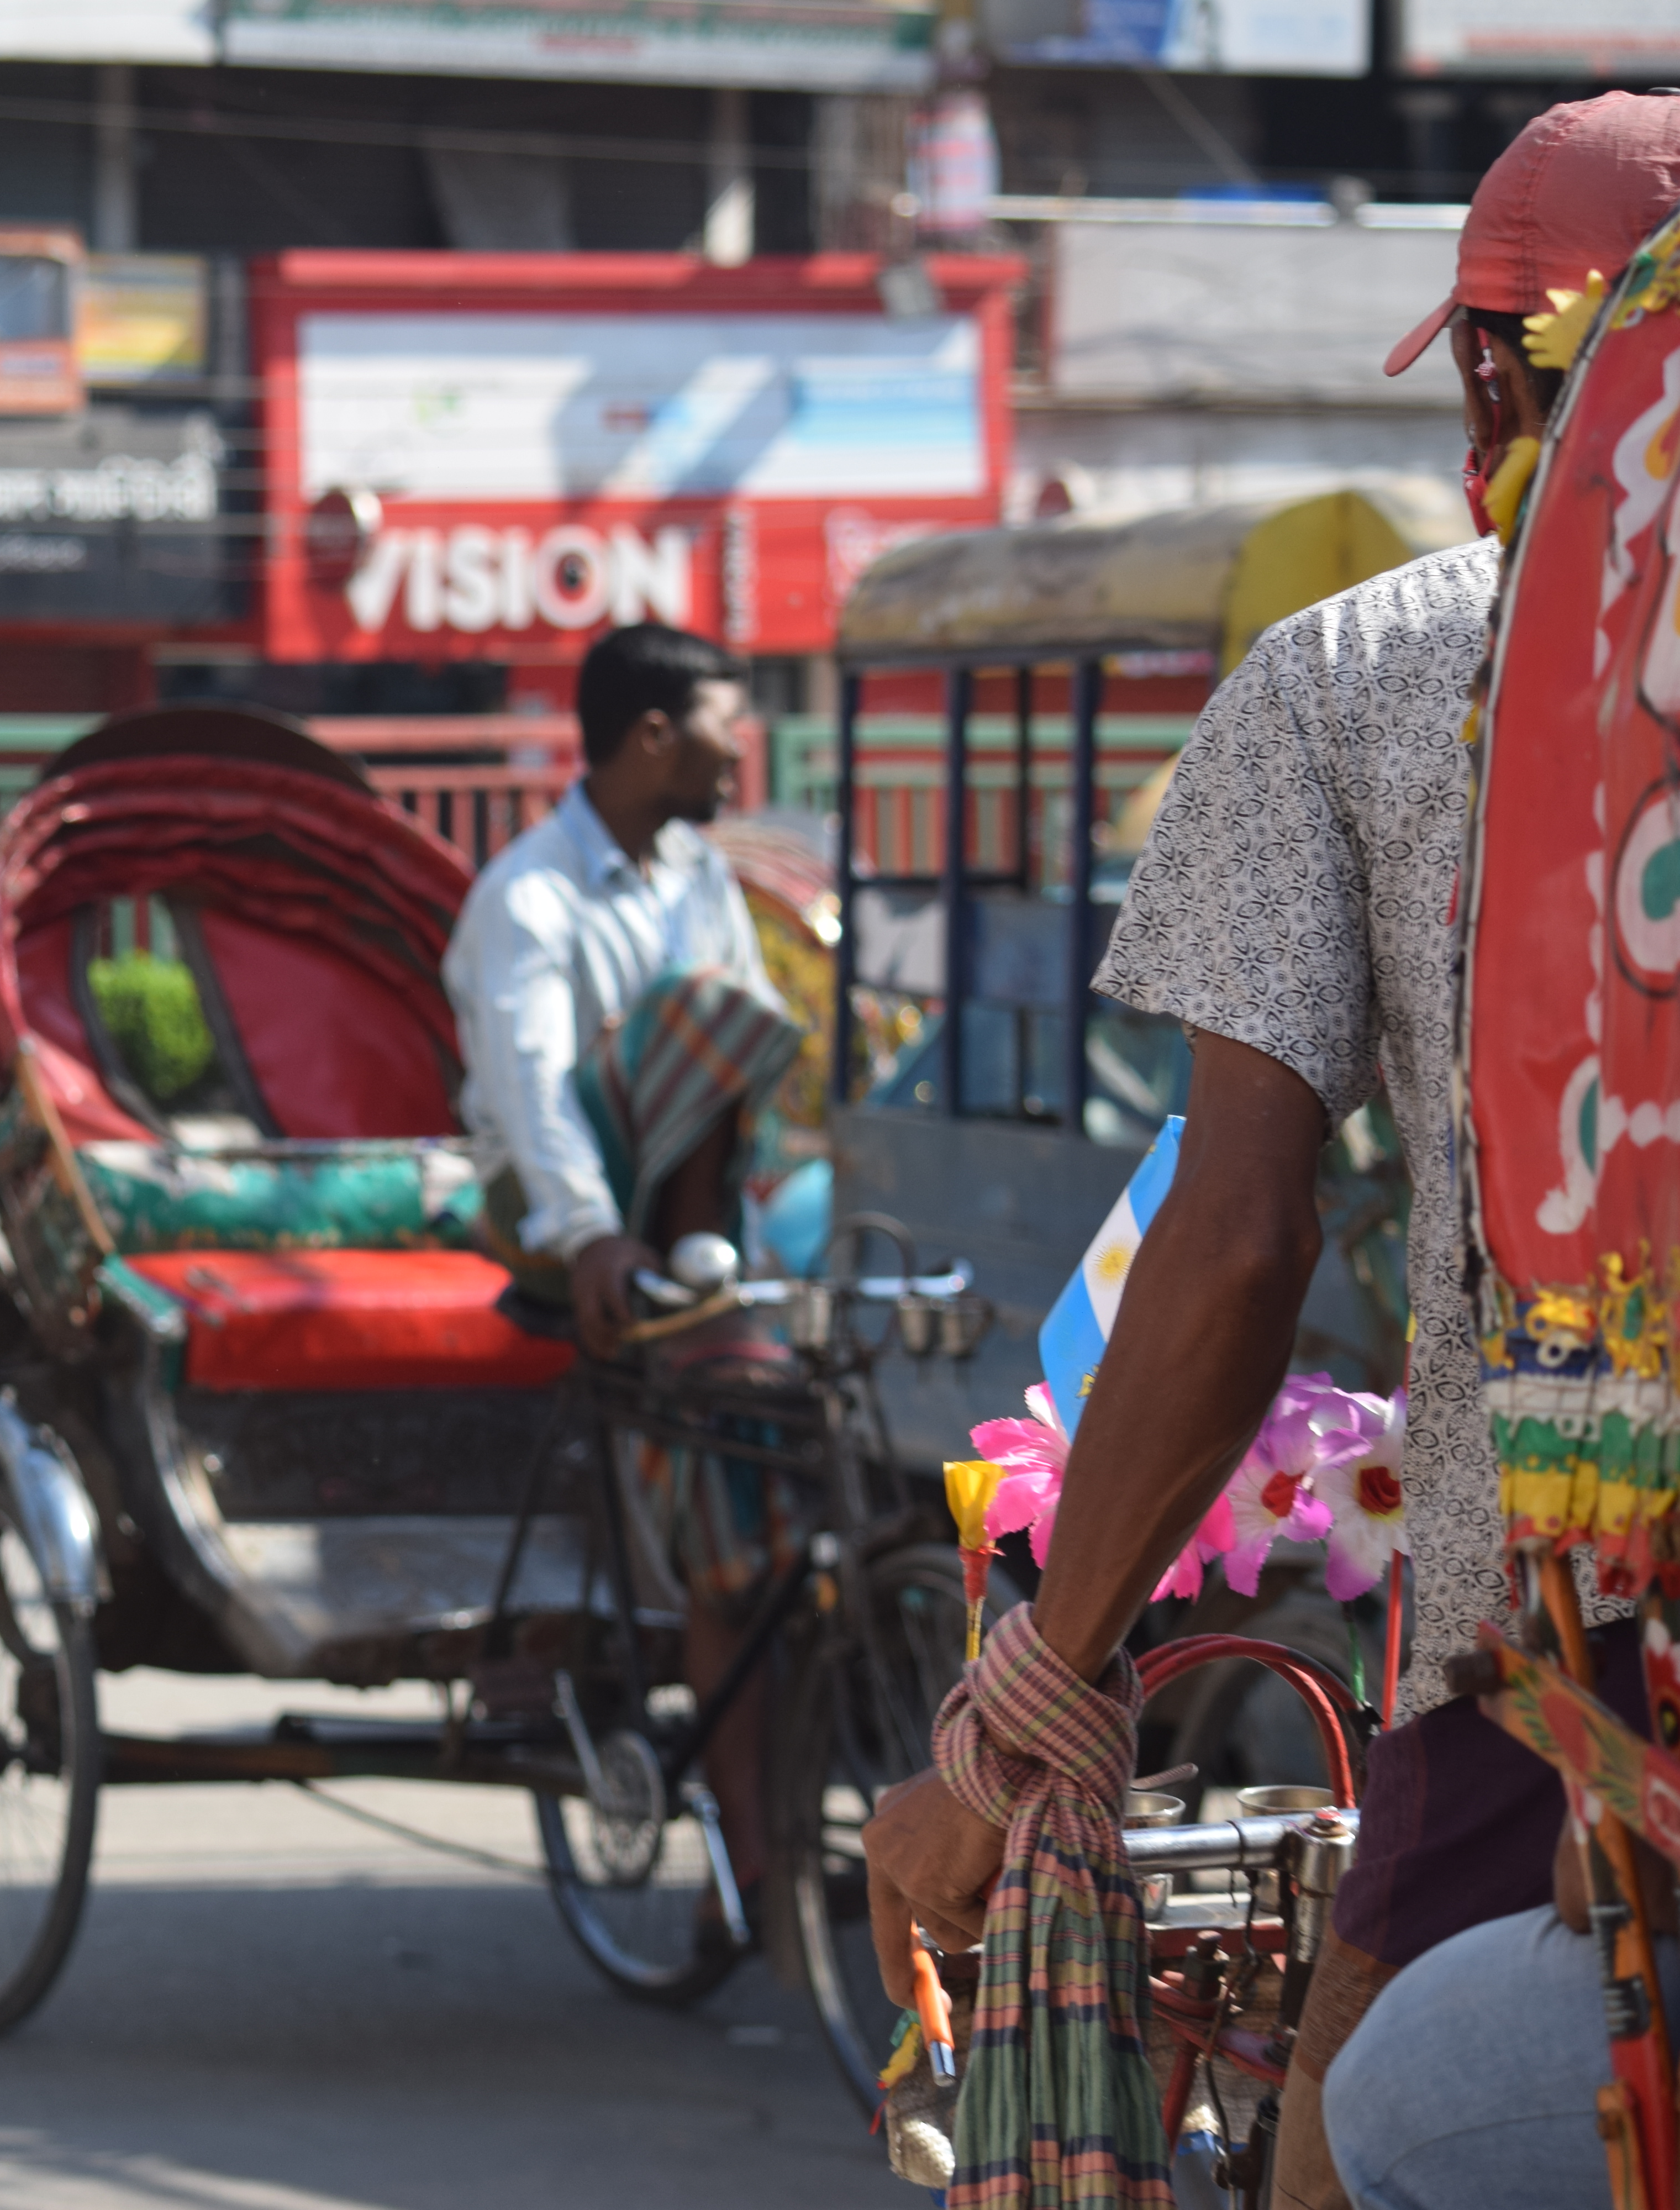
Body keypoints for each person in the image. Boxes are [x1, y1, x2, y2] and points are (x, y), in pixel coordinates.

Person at [855, 92, 1680, 2209]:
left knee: (1355, 2145)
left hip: (1559, 1650)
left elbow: (1229, 1247)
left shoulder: (1355, 677)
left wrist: (1017, 1702)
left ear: (1496, 368)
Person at [444, 619, 800, 1919]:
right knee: (724, 1516)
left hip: (692, 1205)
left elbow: (748, 1057)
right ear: (655, 734)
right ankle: (749, 1852)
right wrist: (593, 1229)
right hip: (560, 1215)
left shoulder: (699, 873)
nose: (737, 753)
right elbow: (533, 1090)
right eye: (724, 726)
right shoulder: (528, 897)